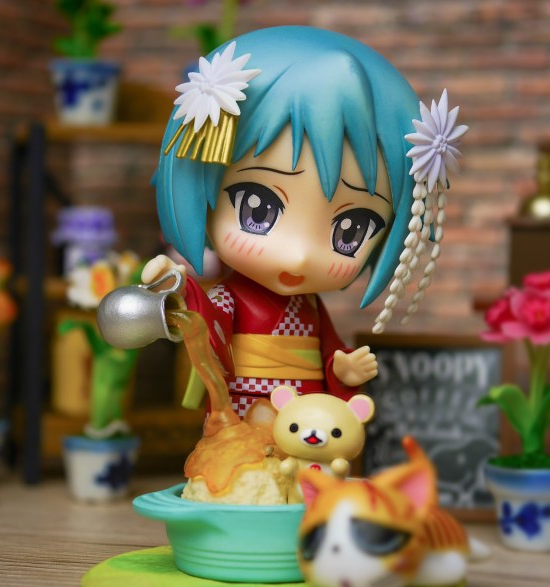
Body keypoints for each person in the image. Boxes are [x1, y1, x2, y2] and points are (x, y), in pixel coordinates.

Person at [141, 26, 465, 416]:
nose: (299, 255)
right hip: (245, 410)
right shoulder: (231, 298)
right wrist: (181, 290)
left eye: (350, 230)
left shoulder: (309, 306)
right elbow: (207, 327)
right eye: (258, 209)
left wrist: (341, 370)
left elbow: (329, 351)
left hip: (306, 418)